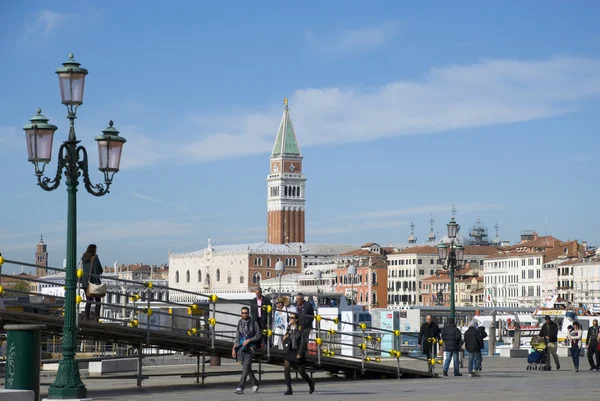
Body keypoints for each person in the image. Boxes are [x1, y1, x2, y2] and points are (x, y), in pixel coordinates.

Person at [282, 312, 315, 395]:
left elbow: (303, 342)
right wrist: (285, 338)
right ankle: (289, 388)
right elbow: (286, 340)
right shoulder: (289, 328)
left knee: (301, 372)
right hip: (290, 351)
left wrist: (300, 353)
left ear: (296, 320)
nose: (290, 319)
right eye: (290, 318)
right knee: (286, 368)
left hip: (297, 351)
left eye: (292, 318)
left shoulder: (300, 328)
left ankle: (310, 383)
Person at [232, 306, 262, 395]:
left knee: (245, 366)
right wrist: (234, 348)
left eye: (246, 313)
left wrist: (249, 340)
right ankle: (255, 382)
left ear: (248, 313)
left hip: (250, 347)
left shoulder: (254, 322)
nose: (244, 314)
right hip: (241, 347)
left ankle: (241, 386)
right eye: (243, 313)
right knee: (246, 367)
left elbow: (259, 335)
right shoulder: (240, 323)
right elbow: (237, 336)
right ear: (241, 314)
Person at [81, 244, 104, 322]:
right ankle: (96, 318)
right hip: (94, 282)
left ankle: (86, 317)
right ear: (94, 250)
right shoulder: (95, 258)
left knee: (89, 300)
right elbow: (100, 270)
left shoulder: (83, 258)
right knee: (98, 301)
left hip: (85, 282)